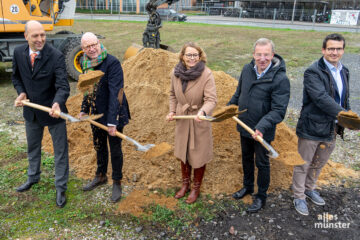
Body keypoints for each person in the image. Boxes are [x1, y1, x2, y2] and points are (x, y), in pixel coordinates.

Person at [228, 38, 290, 213]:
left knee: (262, 163)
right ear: (253, 54)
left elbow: (279, 110)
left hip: (263, 131)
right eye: (259, 54)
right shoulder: (247, 70)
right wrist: (228, 108)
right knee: (246, 158)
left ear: (273, 55)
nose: (262, 58)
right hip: (244, 125)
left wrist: (262, 127)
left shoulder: (280, 79)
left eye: (266, 55)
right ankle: (248, 187)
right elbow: (239, 94)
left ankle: (261, 196)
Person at [12, 20, 70, 208]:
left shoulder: (56, 56)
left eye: (42, 35)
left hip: (54, 112)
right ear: (26, 36)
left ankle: (61, 187)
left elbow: (63, 85)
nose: (40, 39)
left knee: (60, 152)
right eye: (35, 35)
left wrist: (57, 103)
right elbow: (16, 77)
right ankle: (32, 177)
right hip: (32, 112)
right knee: (33, 147)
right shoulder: (18, 53)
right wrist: (21, 93)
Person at [292, 33, 350, 216]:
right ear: (323, 50)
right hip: (312, 126)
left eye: (338, 49)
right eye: (331, 48)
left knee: (319, 162)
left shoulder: (344, 71)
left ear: (343, 50)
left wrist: (346, 119)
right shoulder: (313, 71)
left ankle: (310, 188)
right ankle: (299, 196)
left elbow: (343, 98)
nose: (334, 52)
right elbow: (320, 98)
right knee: (303, 163)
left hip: (332, 127)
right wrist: (344, 115)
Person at [79, 32, 130, 203]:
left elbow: (116, 93)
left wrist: (112, 121)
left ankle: (117, 181)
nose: (92, 49)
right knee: (99, 145)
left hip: (113, 111)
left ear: (99, 43)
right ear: (83, 48)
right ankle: (100, 175)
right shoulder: (84, 63)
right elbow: (87, 88)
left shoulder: (112, 63)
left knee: (115, 149)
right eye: (87, 46)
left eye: (94, 44)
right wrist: (84, 109)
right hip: (96, 112)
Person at [166, 42, 217, 204]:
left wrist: (203, 112)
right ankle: (185, 184)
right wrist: (172, 111)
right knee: (184, 153)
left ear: (200, 56)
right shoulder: (175, 73)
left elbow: (211, 100)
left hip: (199, 119)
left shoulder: (206, 74)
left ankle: (196, 188)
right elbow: (172, 94)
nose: (192, 58)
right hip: (182, 119)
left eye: (195, 55)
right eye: (189, 55)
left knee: (199, 155)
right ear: (182, 56)